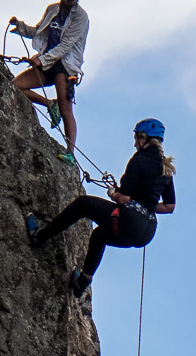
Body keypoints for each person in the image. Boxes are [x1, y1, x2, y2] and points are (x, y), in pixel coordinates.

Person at [25, 119, 176, 297]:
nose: (135, 143)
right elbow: (169, 206)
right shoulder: (166, 168)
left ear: (144, 138)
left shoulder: (139, 160)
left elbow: (123, 198)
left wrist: (113, 194)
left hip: (128, 219)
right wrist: (146, 205)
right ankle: (81, 283)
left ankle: (39, 237)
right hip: (146, 232)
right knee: (99, 236)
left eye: (136, 138)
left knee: (83, 204)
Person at [9, 0, 88, 158]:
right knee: (16, 86)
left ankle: (70, 154)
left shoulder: (81, 17)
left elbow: (66, 46)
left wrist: (41, 60)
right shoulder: (53, 9)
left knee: (66, 108)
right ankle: (48, 104)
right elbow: (39, 30)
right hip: (47, 62)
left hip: (65, 66)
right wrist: (20, 27)